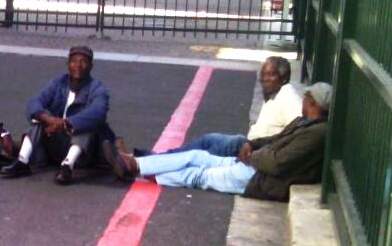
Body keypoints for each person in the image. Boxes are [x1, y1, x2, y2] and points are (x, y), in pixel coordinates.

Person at [115, 83, 332, 202]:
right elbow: (273, 140)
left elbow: (278, 163)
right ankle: (136, 164)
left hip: (261, 179)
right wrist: (253, 145)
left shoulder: (317, 133)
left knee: (198, 175)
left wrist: (252, 156)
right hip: (253, 165)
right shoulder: (303, 122)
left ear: (311, 101)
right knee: (197, 157)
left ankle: (137, 168)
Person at [0, 45, 122, 185]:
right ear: (68, 64)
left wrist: (65, 123)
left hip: (83, 152)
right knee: (40, 117)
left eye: (83, 62)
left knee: (87, 125)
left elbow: (98, 112)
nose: (78, 65)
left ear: (91, 66)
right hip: (56, 145)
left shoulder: (98, 88)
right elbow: (34, 103)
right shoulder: (58, 83)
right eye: (74, 61)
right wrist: (49, 119)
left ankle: (67, 167)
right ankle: (22, 162)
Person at [134, 57, 301, 158]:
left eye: (270, 75)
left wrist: (265, 145)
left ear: (283, 77)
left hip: (250, 148)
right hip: (248, 144)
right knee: (207, 140)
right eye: (263, 74)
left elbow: (300, 125)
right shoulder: (274, 94)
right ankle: (155, 158)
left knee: (200, 155)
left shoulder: (287, 95)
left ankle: (150, 160)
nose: (264, 79)